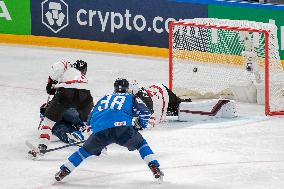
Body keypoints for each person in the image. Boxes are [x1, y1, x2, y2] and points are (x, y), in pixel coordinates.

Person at [54, 78, 164, 182]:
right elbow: (145, 113)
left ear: (114, 88)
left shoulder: (104, 98)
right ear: (127, 88)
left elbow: (90, 118)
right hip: (123, 129)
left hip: (101, 130)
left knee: (83, 152)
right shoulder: (131, 97)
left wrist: (93, 135)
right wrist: (141, 124)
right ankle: (154, 166)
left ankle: (63, 171)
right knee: (141, 144)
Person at [28, 60, 94, 158]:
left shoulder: (66, 65)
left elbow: (56, 72)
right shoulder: (82, 77)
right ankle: (98, 143)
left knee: (48, 122)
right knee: (89, 123)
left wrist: (51, 84)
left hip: (66, 93)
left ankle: (42, 146)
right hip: (85, 94)